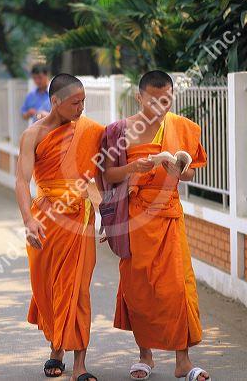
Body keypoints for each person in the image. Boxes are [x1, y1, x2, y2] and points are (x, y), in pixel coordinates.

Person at [101, 71, 210, 381]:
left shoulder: (182, 128)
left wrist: (178, 167)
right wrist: (138, 166)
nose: (161, 107)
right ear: (139, 98)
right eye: (153, 101)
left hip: (168, 220)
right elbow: (108, 176)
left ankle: (183, 361)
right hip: (134, 222)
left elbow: (188, 175)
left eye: (167, 100)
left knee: (178, 288)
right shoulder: (120, 132)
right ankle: (144, 355)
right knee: (139, 291)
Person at [15, 73, 104, 380]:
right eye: (74, 103)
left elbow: (114, 155)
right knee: (48, 287)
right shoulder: (33, 134)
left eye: (84, 102)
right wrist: (28, 220)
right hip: (46, 218)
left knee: (78, 289)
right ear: (55, 102)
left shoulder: (90, 131)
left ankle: (79, 363)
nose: (81, 108)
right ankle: (57, 348)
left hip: (80, 218)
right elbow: (21, 180)